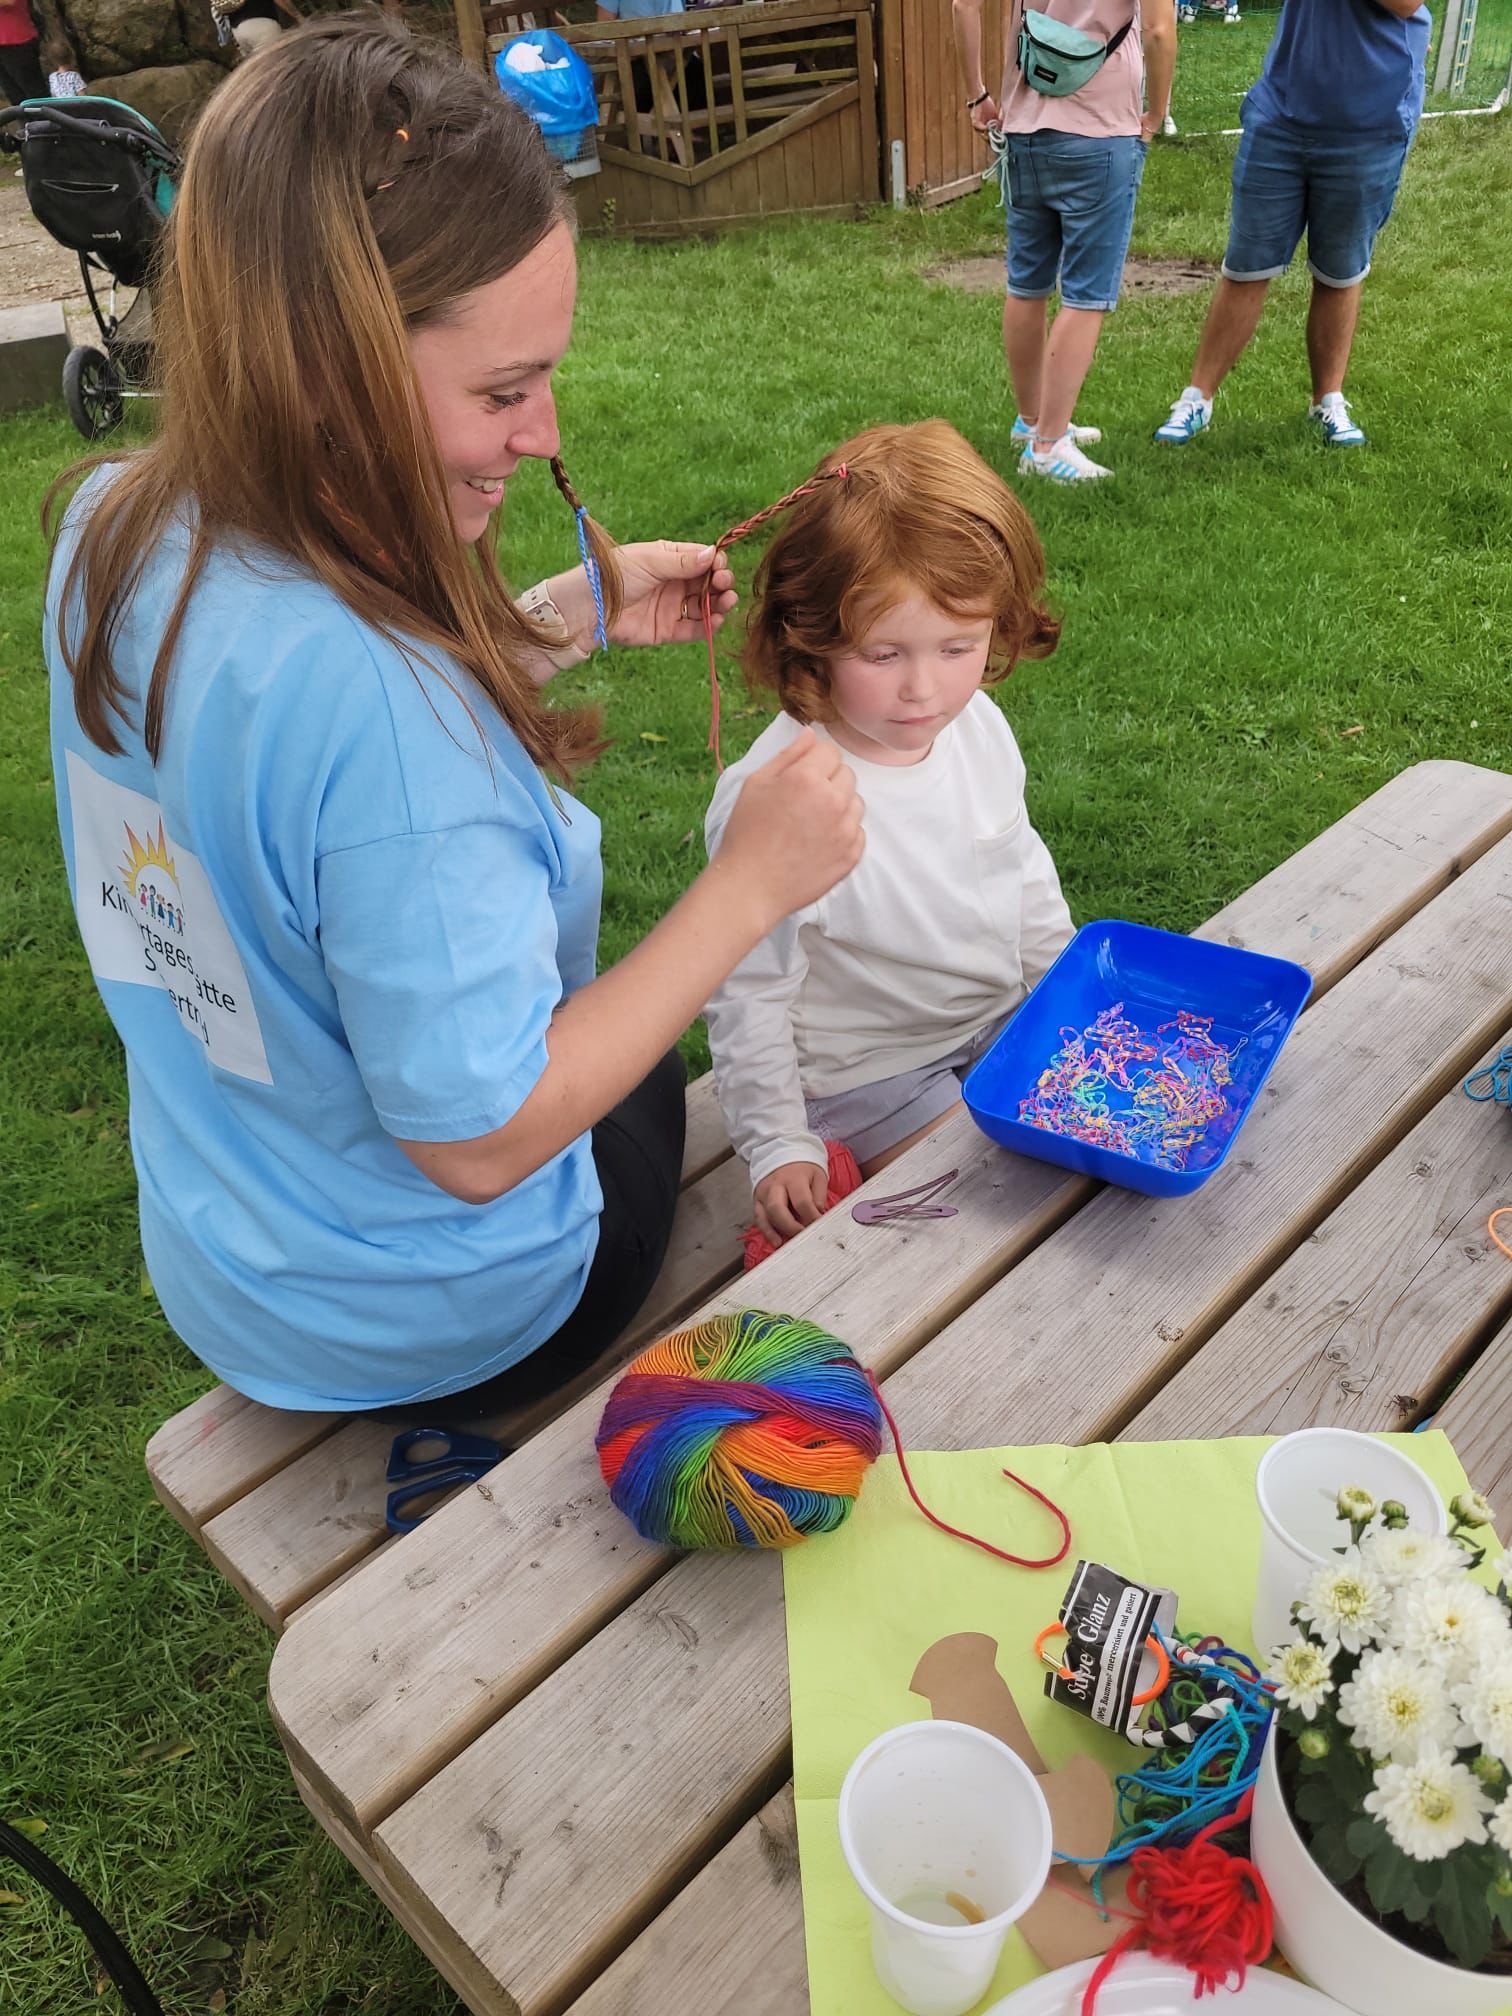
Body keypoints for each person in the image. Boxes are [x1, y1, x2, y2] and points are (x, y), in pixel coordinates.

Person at [44, 15, 863, 1417]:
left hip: (237, 1267)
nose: (544, 433)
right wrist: (747, 889)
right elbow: (482, 1138)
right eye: (503, 389)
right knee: (646, 1064)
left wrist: (557, 620)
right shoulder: (395, 727)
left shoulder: (117, 525)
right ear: (325, 364)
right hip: (441, 1318)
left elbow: (289, 766)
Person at [703, 421, 1075, 1249]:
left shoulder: (976, 724)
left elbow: (1020, 866)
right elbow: (746, 989)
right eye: (882, 653)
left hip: (994, 1024)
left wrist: (1068, 990)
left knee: (1100, 1159)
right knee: (985, 1218)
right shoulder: (778, 794)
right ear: (811, 633)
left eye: (958, 645)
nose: (924, 689)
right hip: (868, 1074)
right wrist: (776, 1142)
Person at [1154, 0, 1430, 450]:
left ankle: (1328, 401)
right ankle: (1196, 400)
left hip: (1370, 122)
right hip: (1282, 113)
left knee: (1340, 270)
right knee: (1246, 264)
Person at [953, 0, 1176, 482]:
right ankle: (1048, 446)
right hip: (1100, 133)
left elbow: (963, 4)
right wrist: (1155, 115)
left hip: (1023, 129)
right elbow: (1158, 31)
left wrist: (977, 96)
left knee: (1027, 284)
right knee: (1086, 296)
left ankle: (1031, 420)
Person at [0, 1, 45, 106]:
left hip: (17, 41)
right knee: (14, 95)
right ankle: (28, 122)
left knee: (35, 95)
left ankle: (50, 121)